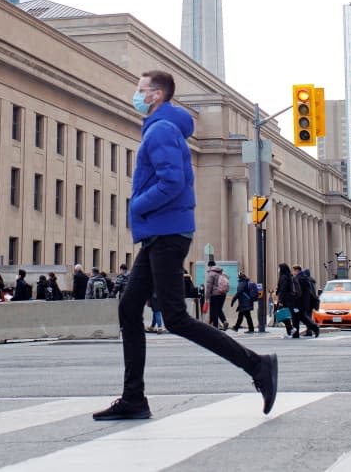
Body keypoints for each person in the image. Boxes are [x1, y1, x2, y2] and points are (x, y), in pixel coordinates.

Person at [94, 69, 277, 421]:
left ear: (156, 95)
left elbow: (173, 183)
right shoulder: (162, 128)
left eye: (141, 89)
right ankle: (134, 398)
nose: (136, 94)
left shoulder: (161, 130)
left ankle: (257, 366)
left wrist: (137, 204)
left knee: (176, 317)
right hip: (160, 235)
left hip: (166, 233)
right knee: (129, 308)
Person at [292, 266, 320, 338]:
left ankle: (314, 328)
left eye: (294, 271)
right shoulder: (308, 280)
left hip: (301, 302)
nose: (293, 272)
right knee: (302, 317)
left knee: (302, 317)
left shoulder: (300, 279)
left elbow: (299, 292)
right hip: (307, 302)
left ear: (297, 271)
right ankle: (300, 332)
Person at [275, 263, 297, 337]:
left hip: (284, 299)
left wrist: (280, 300)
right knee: (283, 315)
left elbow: (283, 289)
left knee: (280, 315)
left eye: (279, 268)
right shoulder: (288, 276)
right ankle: (290, 331)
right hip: (288, 298)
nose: (278, 270)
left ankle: (290, 329)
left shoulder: (283, 277)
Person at [205, 265, 230, 329]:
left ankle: (215, 327)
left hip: (214, 295)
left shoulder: (211, 274)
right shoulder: (222, 274)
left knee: (215, 311)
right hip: (223, 294)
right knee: (219, 309)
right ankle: (224, 321)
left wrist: (207, 296)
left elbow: (209, 286)